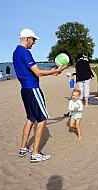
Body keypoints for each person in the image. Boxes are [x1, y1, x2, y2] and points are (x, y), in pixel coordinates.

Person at [13, 28, 66, 163]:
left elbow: (30, 71)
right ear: (27, 38)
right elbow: (37, 73)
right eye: (33, 39)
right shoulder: (25, 52)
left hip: (25, 90)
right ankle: (35, 153)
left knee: (31, 118)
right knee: (42, 120)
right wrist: (56, 71)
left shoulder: (16, 52)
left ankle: (23, 148)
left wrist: (51, 71)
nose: (34, 42)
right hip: (33, 89)